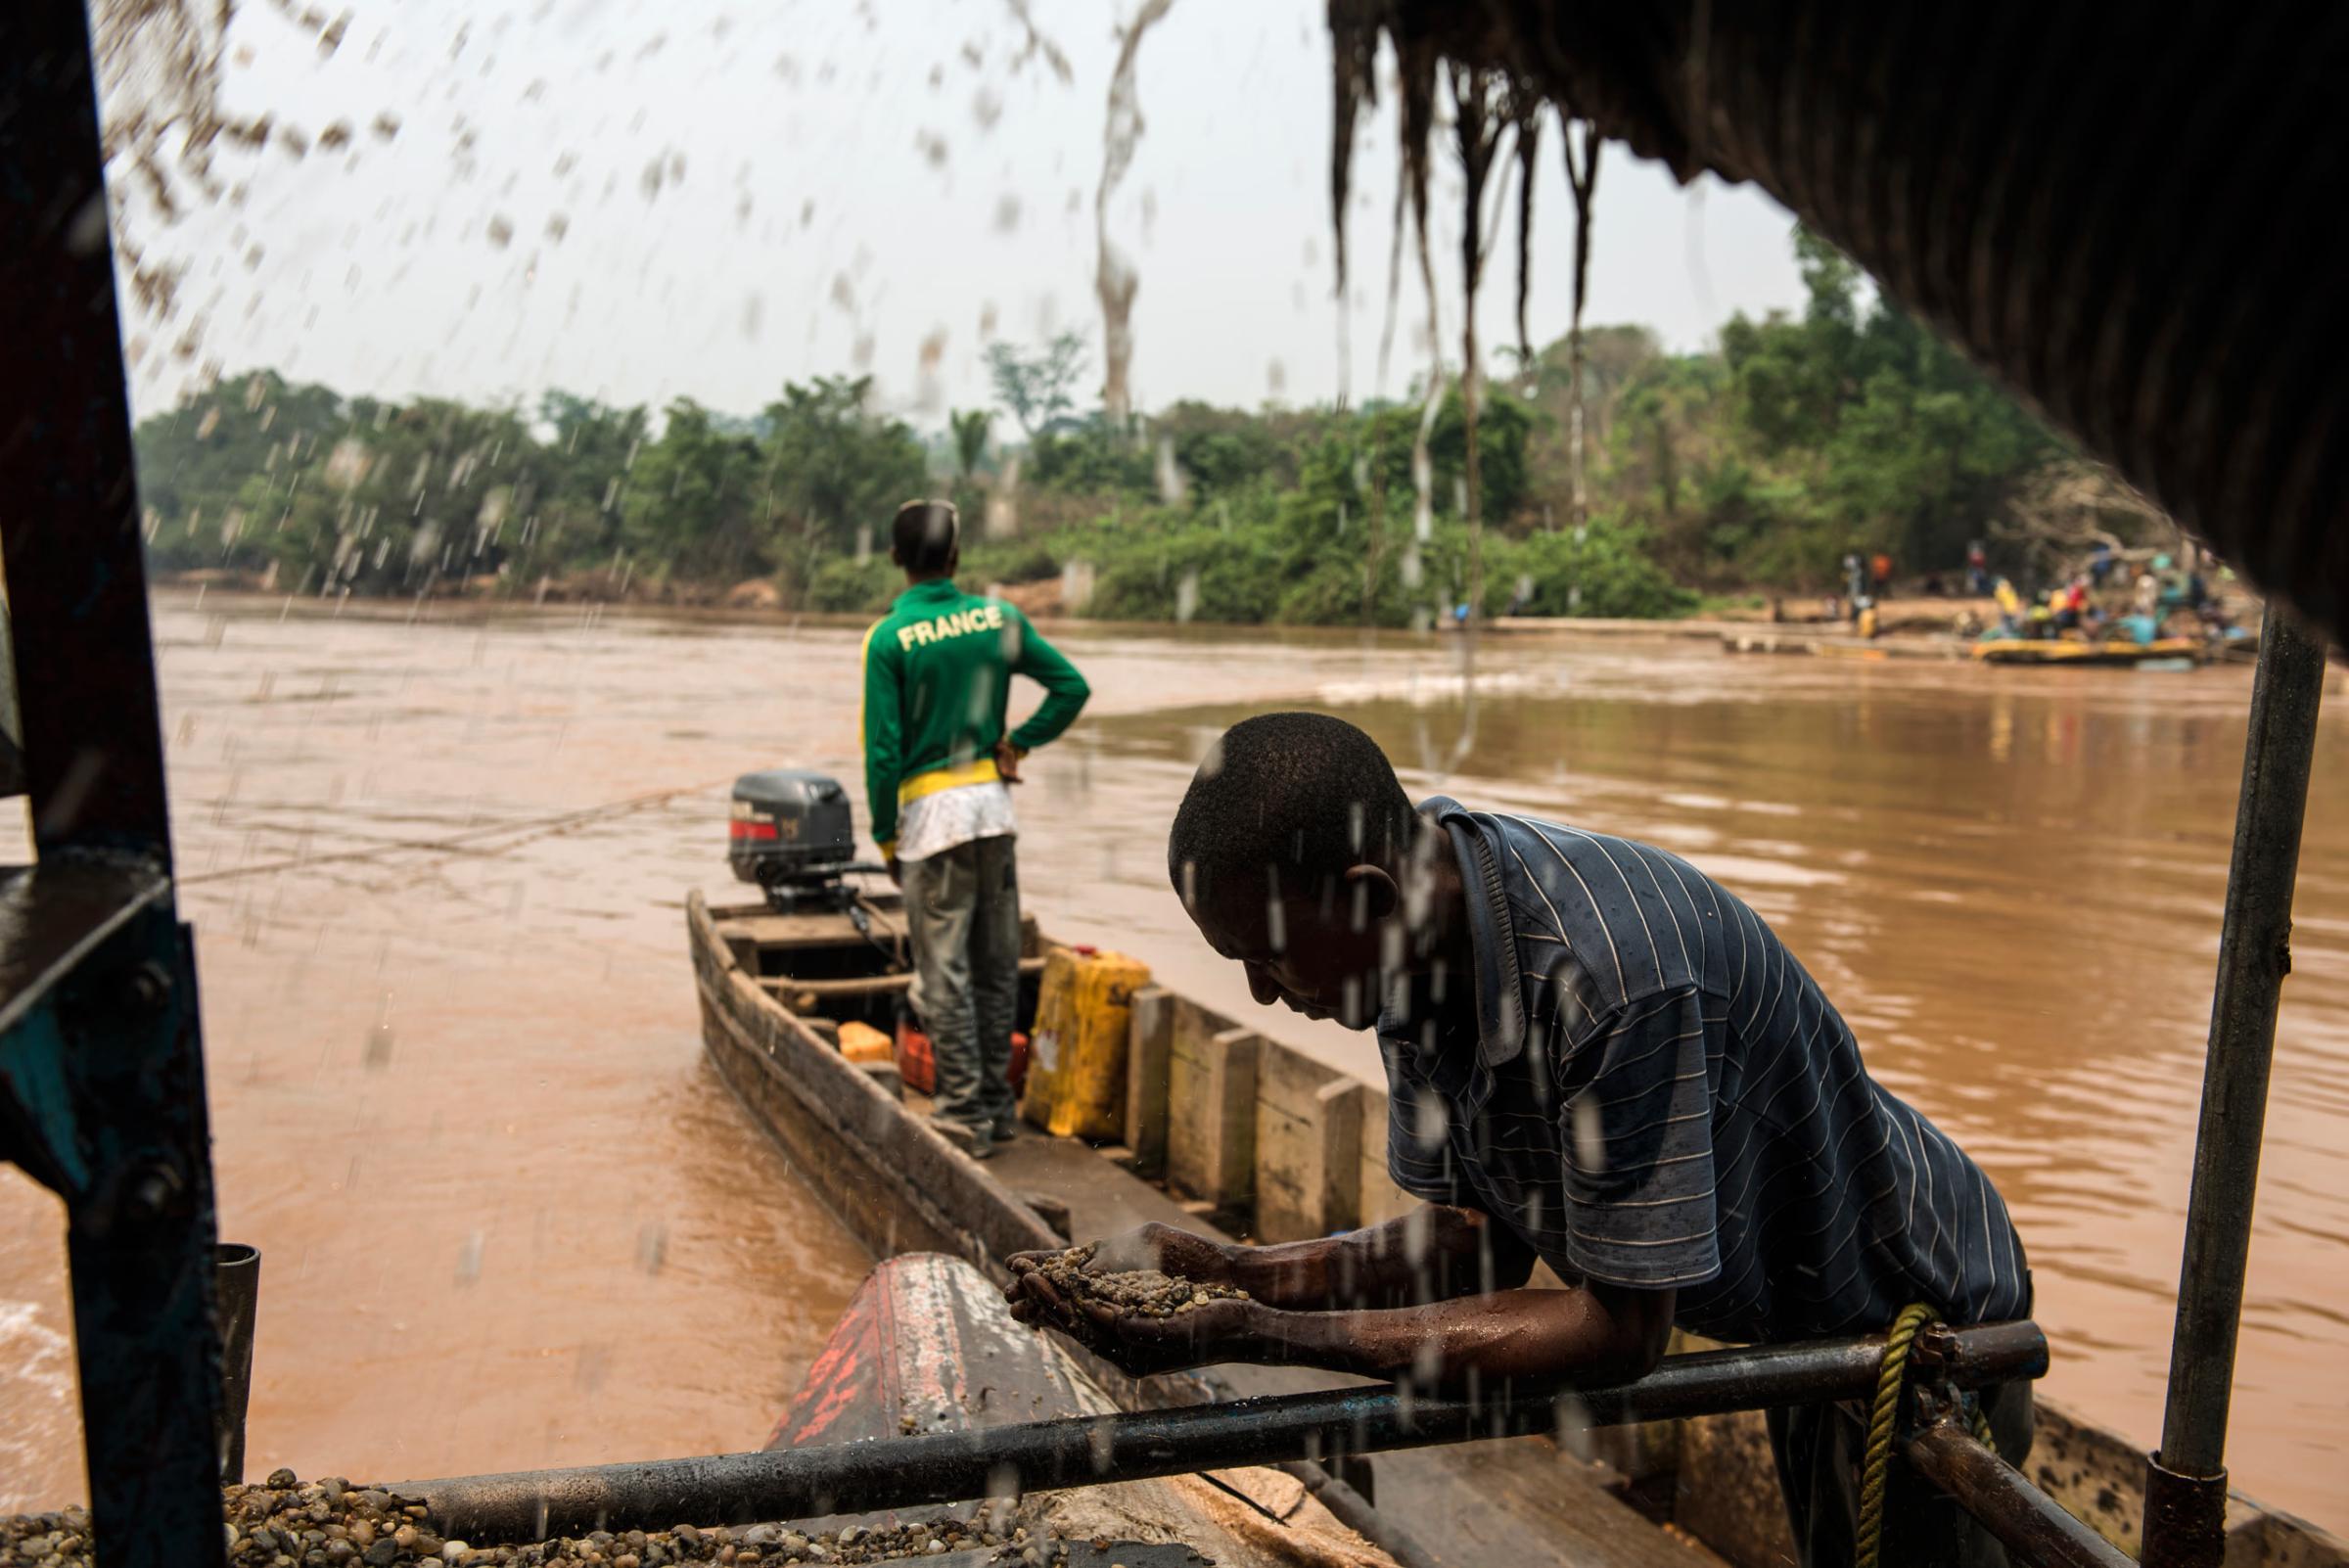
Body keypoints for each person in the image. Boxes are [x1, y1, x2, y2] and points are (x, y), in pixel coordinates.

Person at [1008, 713, 2033, 1568]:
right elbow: (1471, 1243)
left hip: (1913, 1305)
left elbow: (1619, 1332)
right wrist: (1235, 1271)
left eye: (1267, 958)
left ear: (1367, 897)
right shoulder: (1413, 942)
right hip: (1793, 1315)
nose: (1262, 994)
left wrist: (1250, 1333)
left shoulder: (1613, 983)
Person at [861, 499, 1089, 1159]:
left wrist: (884, 837)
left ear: (896, 558)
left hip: (932, 826)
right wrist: (1018, 742)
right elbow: (1070, 688)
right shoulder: (998, 619)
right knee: (994, 967)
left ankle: (961, 1113)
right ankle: (994, 1110)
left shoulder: (889, 638)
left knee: (943, 976)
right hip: (993, 814)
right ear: (956, 557)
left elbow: (882, 751)